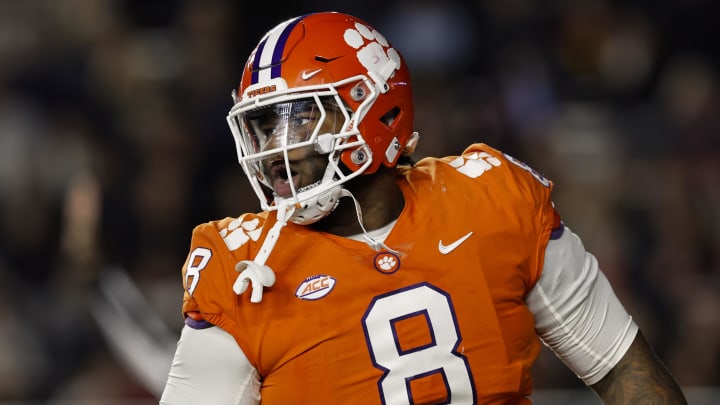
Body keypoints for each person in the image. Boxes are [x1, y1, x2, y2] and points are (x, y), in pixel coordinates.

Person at [160, 11, 687, 404]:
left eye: (299, 119)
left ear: (374, 109)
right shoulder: (240, 267)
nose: (277, 149)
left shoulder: (491, 197)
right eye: (265, 126)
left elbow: (623, 371)